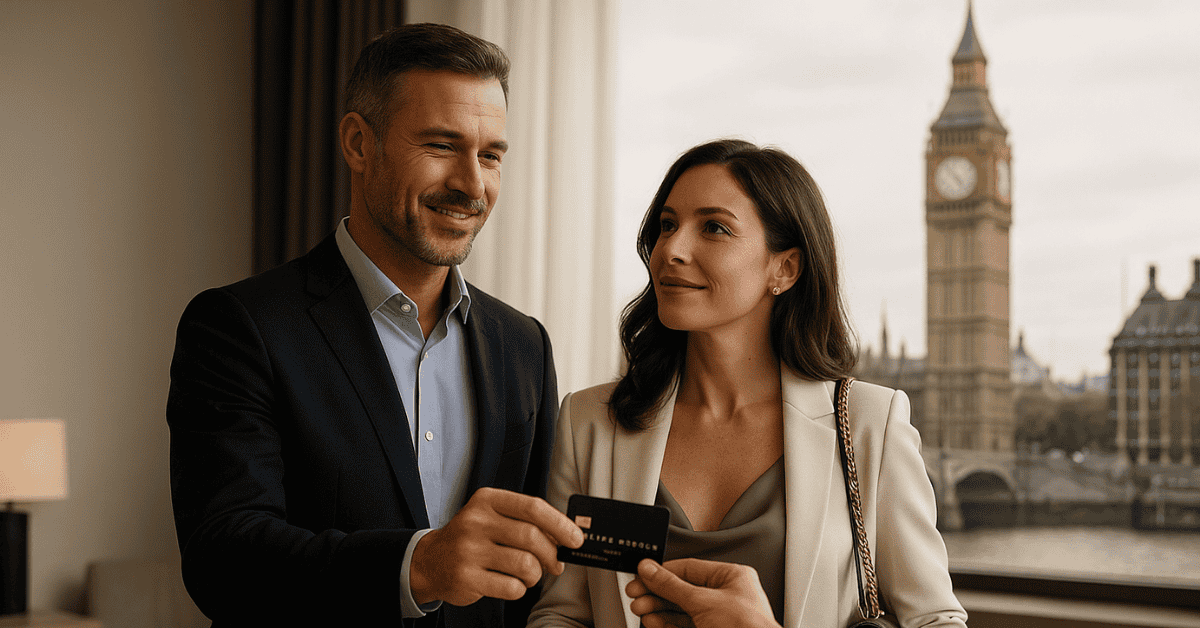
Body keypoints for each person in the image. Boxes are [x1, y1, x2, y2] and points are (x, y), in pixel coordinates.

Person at [167, 23, 581, 628]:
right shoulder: (239, 326)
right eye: (441, 146)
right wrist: (420, 566)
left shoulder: (524, 345)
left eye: (491, 155)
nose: (472, 185)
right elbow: (223, 559)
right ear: (360, 144)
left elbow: (534, 579)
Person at [527, 139, 967, 627]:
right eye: (667, 225)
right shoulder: (589, 422)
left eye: (714, 228)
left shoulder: (870, 425)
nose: (671, 250)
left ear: (784, 268)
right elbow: (561, 615)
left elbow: (938, 621)